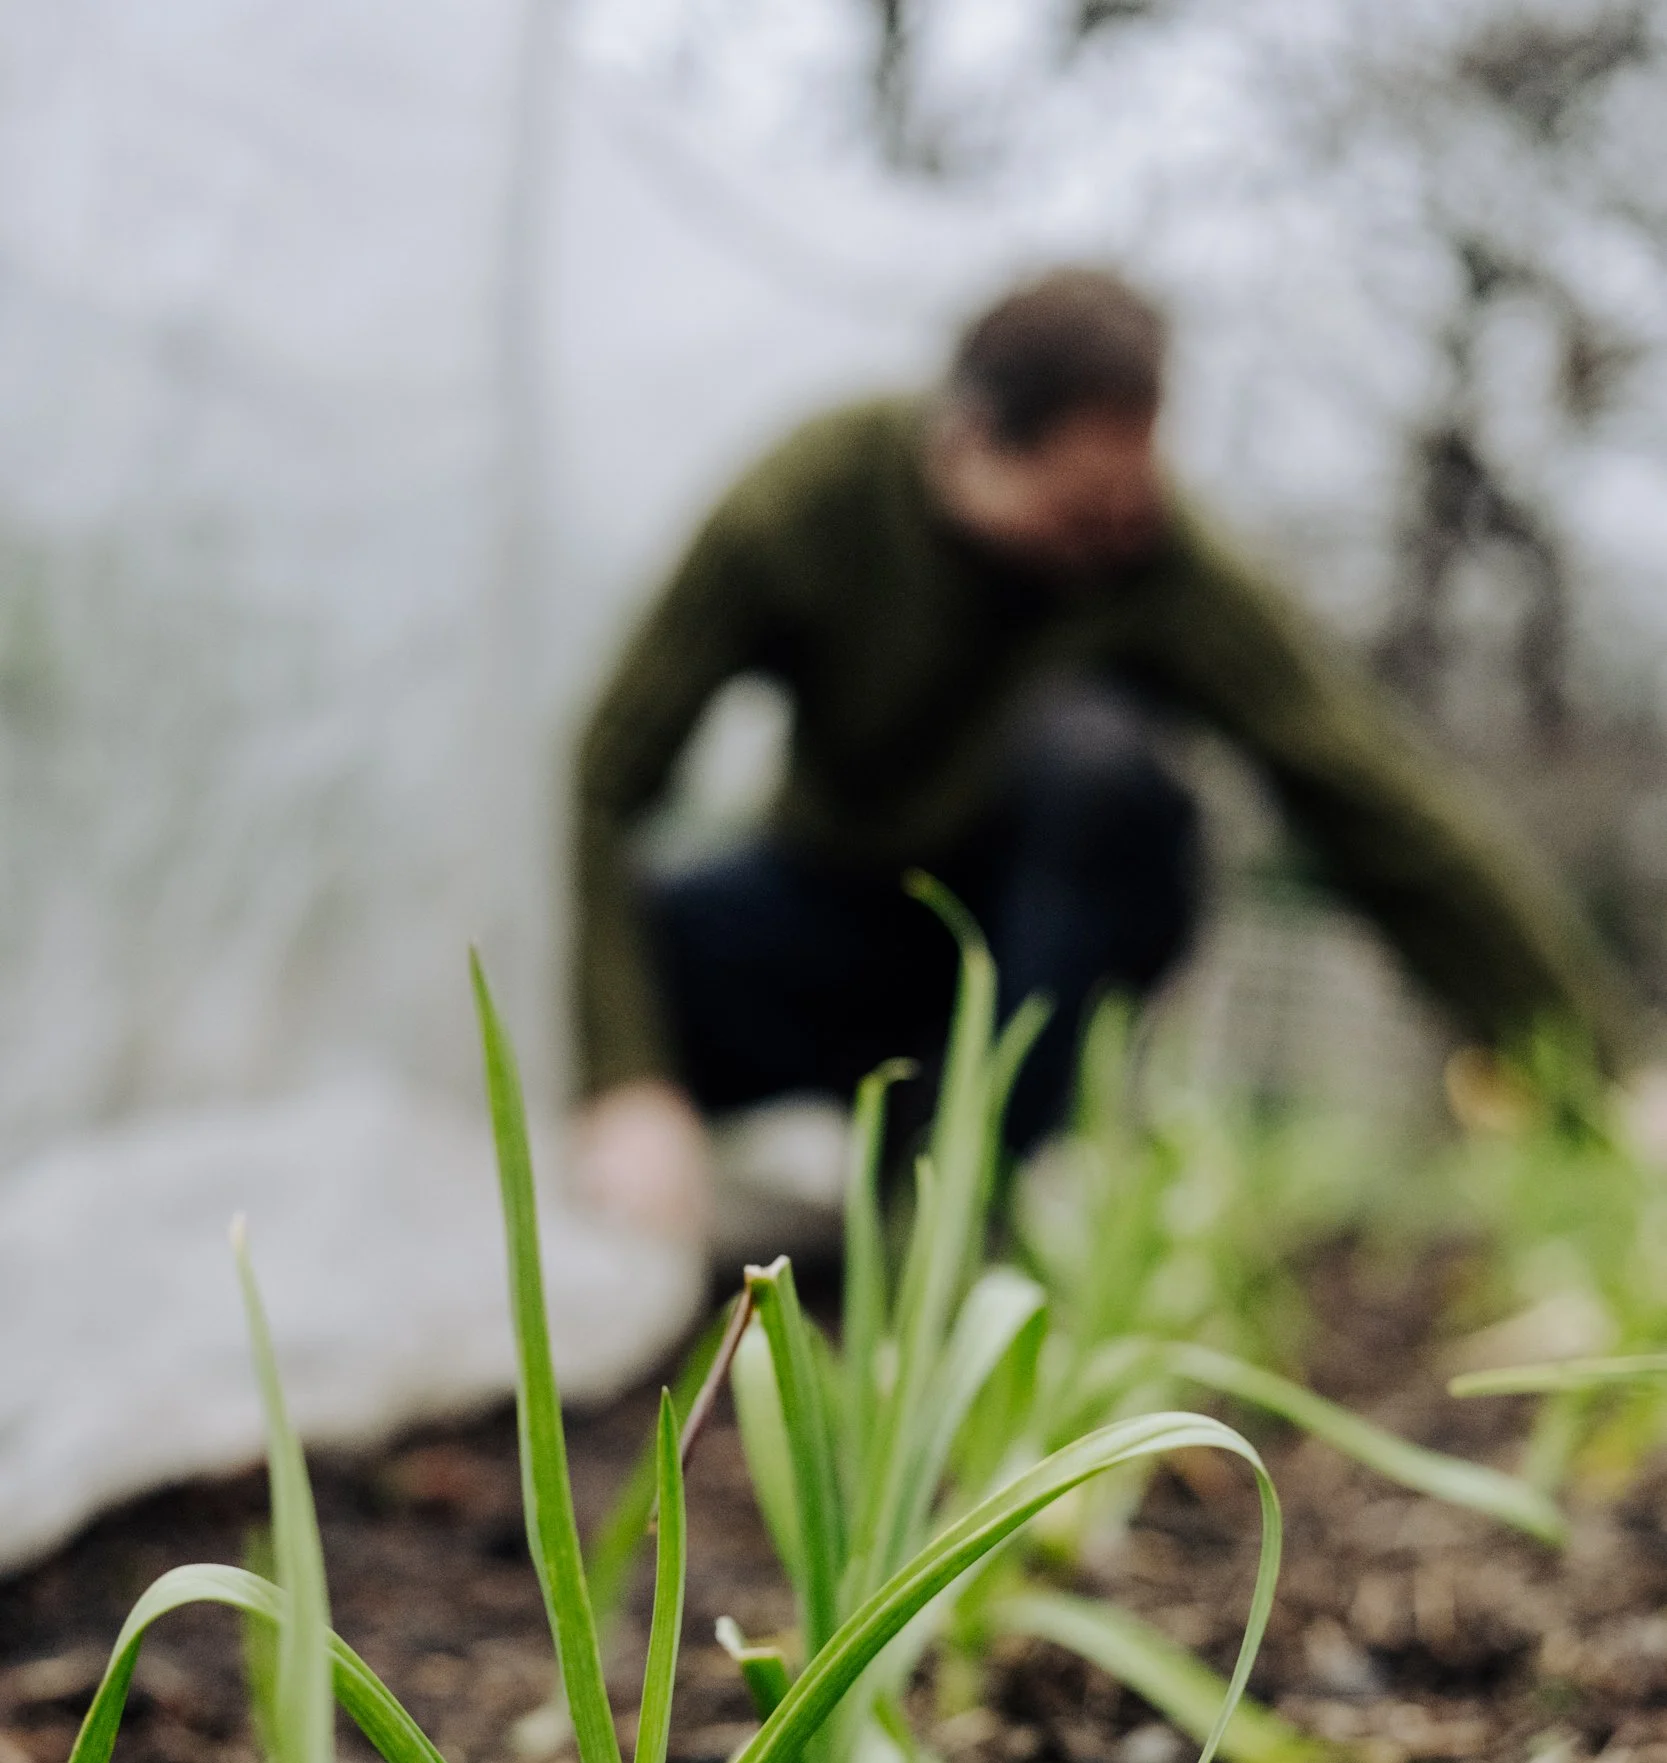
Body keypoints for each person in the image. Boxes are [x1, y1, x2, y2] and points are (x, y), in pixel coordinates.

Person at [569, 267, 1645, 1242]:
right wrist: (627, 1077)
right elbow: (605, 780)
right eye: (1081, 512)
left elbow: (1371, 798)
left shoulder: (1153, 555)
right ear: (971, 441)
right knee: (653, 941)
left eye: (1134, 499)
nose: (1118, 534)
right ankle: (736, 1156)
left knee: (1111, 780)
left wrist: (1607, 1067)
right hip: (824, 919)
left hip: (1026, 953)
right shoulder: (811, 502)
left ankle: (961, 1199)